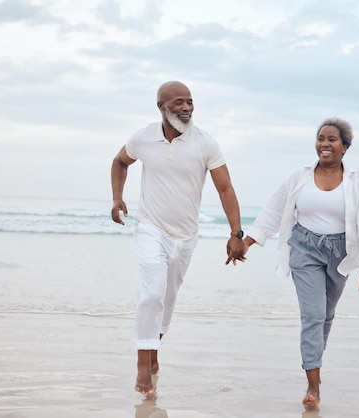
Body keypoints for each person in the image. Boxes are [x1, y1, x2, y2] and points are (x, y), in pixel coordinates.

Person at [110, 80, 246, 396]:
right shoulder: (143, 138)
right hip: (150, 228)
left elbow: (225, 188)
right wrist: (117, 198)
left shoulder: (205, 143)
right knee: (151, 293)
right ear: (162, 107)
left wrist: (236, 233)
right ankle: (143, 365)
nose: (186, 108)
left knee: (167, 299)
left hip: (185, 236)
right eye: (178, 103)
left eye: (190, 102)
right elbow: (120, 162)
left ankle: (154, 347)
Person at [242, 117, 359, 407]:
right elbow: (273, 210)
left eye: (331, 139)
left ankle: (314, 361)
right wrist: (248, 242)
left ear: (345, 147)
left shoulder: (357, 181)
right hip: (304, 249)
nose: (324, 144)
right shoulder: (298, 176)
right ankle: (313, 383)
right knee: (313, 315)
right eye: (320, 138)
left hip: (341, 253)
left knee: (326, 317)